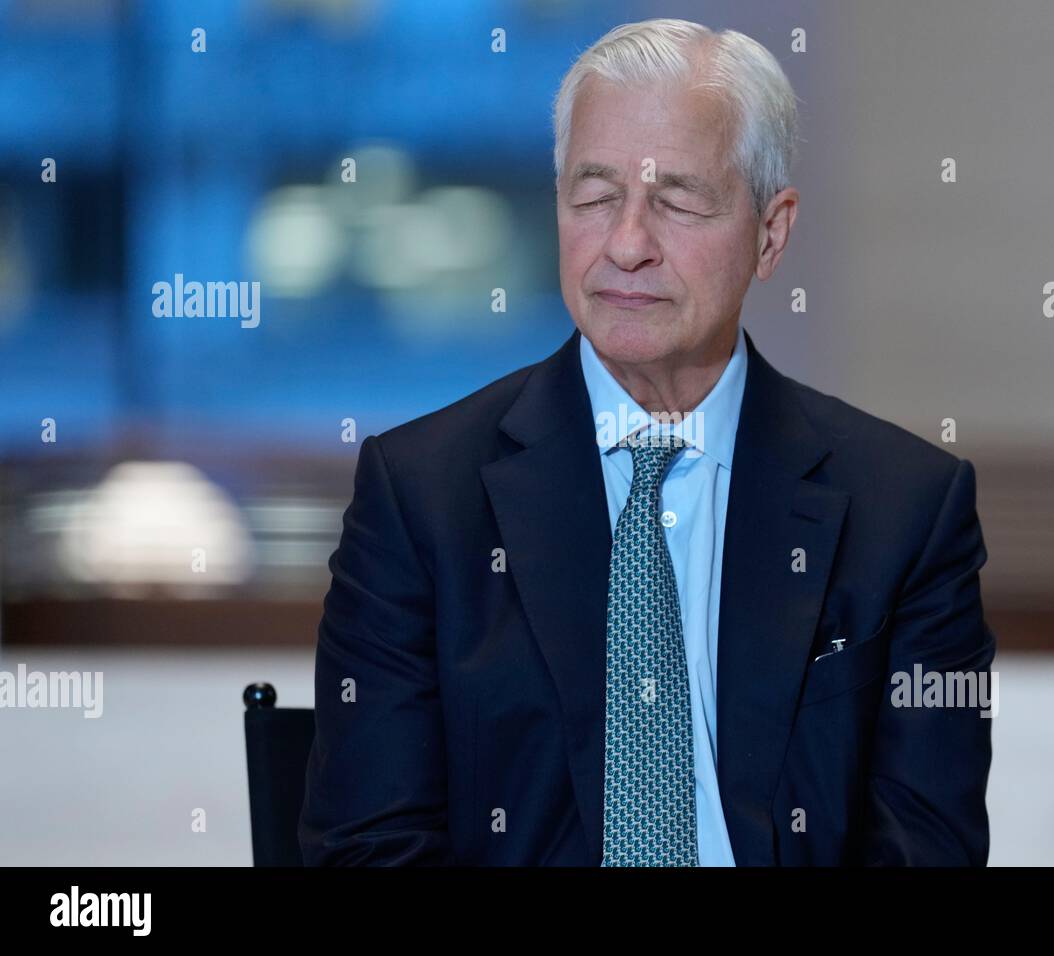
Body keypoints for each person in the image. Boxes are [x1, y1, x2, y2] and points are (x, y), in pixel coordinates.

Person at [300, 17, 995, 866]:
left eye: (677, 201)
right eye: (593, 198)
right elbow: (368, 847)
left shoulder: (906, 511)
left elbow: (927, 848)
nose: (626, 245)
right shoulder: (419, 498)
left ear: (770, 234)